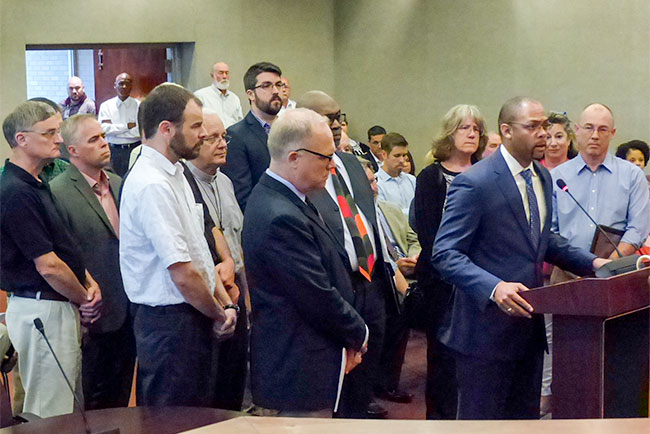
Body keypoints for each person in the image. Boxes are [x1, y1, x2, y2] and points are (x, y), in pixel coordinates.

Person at [432, 96, 607, 419]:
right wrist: (494, 287)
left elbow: (542, 240)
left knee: (524, 423)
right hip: (483, 334)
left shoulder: (541, 177)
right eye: (533, 126)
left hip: (528, 329)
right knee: (481, 425)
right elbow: (445, 253)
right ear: (506, 131)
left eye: (545, 126)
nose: (543, 134)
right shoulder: (475, 182)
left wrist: (594, 264)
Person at [242, 108, 367, 417]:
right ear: (294, 157)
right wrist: (359, 333)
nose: (332, 166)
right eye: (326, 158)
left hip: (309, 356)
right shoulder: (279, 214)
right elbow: (315, 294)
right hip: (299, 366)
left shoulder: (288, 198)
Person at [119, 83, 237, 407]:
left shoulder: (177, 173)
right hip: (169, 324)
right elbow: (183, 274)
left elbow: (199, 249)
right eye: (196, 126)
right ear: (167, 129)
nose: (203, 134)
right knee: (172, 420)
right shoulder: (151, 183)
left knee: (198, 415)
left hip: (192, 313)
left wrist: (225, 305)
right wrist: (218, 314)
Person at [0, 101, 102, 418]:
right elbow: (48, 264)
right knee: (49, 413)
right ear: (22, 139)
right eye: (49, 132)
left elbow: (63, 247)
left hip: (53, 305)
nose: (58, 139)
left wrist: (87, 280)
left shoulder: (36, 183)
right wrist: (85, 297)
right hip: (42, 307)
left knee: (62, 406)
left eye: (58, 131)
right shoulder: (16, 190)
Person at [298, 90, 390, 419]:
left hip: (370, 282)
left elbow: (366, 219)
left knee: (365, 379)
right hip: (337, 285)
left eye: (339, 117)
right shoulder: (305, 172)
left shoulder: (351, 162)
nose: (337, 125)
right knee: (338, 380)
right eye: (328, 119)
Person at [50, 114, 135, 410]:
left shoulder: (119, 183)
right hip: (92, 311)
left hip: (130, 306)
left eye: (103, 136)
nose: (104, 143)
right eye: (94, 139)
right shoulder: (59, 192)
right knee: (92, 399)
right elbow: (62, 255)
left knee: (121, 394)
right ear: (72, 151)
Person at [413, 103, 486, 419]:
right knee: (442, 360)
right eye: (464, 128)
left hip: (483, 280)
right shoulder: (430, 177)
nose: (471, 134)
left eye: (476, 129)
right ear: (449, 133)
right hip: (442, 283)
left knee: (479, 360)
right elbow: (430, 236)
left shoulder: (487, 172)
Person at [183, 111, 249, 410]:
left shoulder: (226, 182)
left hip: (237, 294)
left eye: (225, 136)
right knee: (206, 393)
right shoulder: (182, 184)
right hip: (208, 300)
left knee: (233, 384)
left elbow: (236, 242)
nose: (222, 144)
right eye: (213, 138)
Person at [552, 103, 650, 258]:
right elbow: (550, 231)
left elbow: (638, 228)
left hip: (616, 270)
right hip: (566, 271)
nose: (595, 135)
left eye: (602, 129)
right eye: (589, 127)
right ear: (576, 131)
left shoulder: (632, 175)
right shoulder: (557, 177)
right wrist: (576, 263)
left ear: (612, 133)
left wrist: (610, 263)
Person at [359, 158, 420, 404]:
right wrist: (396, 267)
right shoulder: (355, 216)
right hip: (378, 278)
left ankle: (388, 383)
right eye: (368, 184)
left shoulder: (389, 209)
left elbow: (412, 236)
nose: (374, 188)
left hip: (408, 271)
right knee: (379, 327)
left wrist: (415, 255)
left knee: (403, 321)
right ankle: (369, 389)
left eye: (375, 181)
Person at [221, 62, 284, 211]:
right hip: (266, 219)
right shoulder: (236, 135)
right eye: (266, 86)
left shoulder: (290, 130)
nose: (275, 91)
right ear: (250, 94)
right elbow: (242, 197)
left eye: (278, 84)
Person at [98, 72, 141, 177]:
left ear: (131, 86)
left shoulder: (139, 106)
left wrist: (115, 131)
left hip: (134, 149)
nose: (124, 86)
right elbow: (104, 130)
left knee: (134, 178)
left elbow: (139, 132)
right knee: (113, 180)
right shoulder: (106, 106)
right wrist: (127, 126)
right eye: (121, 83)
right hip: (113, 151)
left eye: (127, 83)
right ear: (115, 86)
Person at [376, 133, 416, 217]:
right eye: (397, 156)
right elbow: (387, 215)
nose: (402, 160)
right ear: (384, 155)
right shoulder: (377, 183)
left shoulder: (412, 180)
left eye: (404, 155)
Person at [194, 62, 244, 128]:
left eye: (226, 73)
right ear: (212, 76)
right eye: (221, 73)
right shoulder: (201, 96)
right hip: (211, 137)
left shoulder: (234, 98)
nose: (224, 76)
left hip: (232, 137)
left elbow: (240, 121)